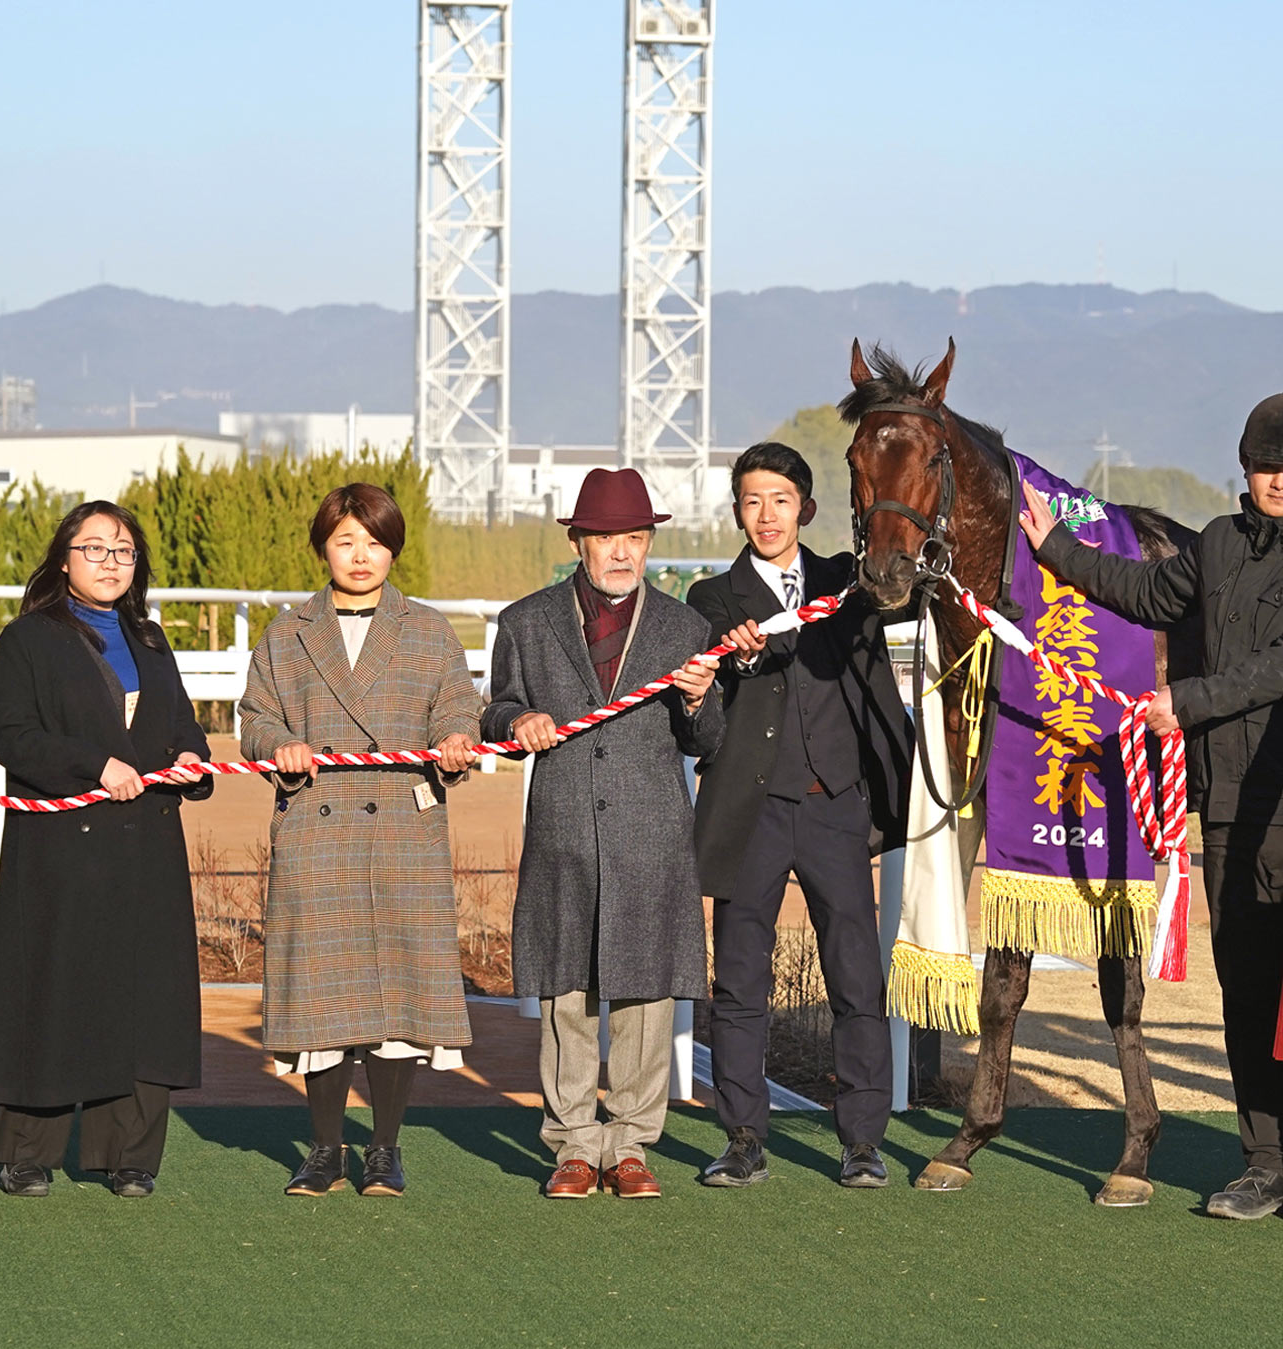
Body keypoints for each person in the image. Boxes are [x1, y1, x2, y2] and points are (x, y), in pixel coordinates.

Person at [1017, 390, 1283, 1224]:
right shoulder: (1217, 543)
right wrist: (1055, 547)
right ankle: (1261, 1165)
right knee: (1246, 991)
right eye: (1263, 466)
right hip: (1227, 807)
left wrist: (1190, 699)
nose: (1277, 480)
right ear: (1245, 469)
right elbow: (1144, 593)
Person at [482, 467, 724, 1200]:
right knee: (568, 993)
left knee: (648, 997)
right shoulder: (526, 622)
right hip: (562, 829)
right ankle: (573, 1147)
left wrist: (701, 699)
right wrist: (515, 721)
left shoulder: (686, 629)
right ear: (579, 543)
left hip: (651, 835)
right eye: (607, 538)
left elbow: (706, 740)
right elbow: (494, 711)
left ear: (649, 542)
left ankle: (631, 1146)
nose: (622, 552)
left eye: (636, 537)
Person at [238, 484, 482, 1198]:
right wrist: (279, 743)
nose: (360, 556)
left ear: (393, 549)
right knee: (322, 1002)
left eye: (374, 543)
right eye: (346, 541)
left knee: (395, 1000)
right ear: (323, 548)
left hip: (404, 828)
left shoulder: (430, 629)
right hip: (318, 827)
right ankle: (323, 1147)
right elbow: (254, 717)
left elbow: (456, 702)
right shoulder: (288, 634)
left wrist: (453, 740)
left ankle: (384, 1147)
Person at [686, 442, 912, 1188]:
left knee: (855, 974)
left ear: (807, 509)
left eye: (780, 500)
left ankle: (863, 1141)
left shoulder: (847, 582)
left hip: (834, 806)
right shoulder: (712, 600)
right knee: (741, 979)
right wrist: (741, 658)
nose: (766, 515)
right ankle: (744, 1136)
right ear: (736, 512)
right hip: (749, 811)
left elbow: (904, 592)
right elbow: (715, 694)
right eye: (752, 501)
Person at [0, 501, 212, 1198]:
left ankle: (129, 1155)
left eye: (124, 552)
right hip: (61, 852)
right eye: (95, 549)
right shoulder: (29, 639)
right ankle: (28, 1152)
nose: (111, 563)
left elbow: (182, 725)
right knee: (55, 993)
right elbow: (10, 732)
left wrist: (192, 759)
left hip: (147, 848)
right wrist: (94, 764)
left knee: (144, 998)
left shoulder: (152, 638)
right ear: (62, 559)